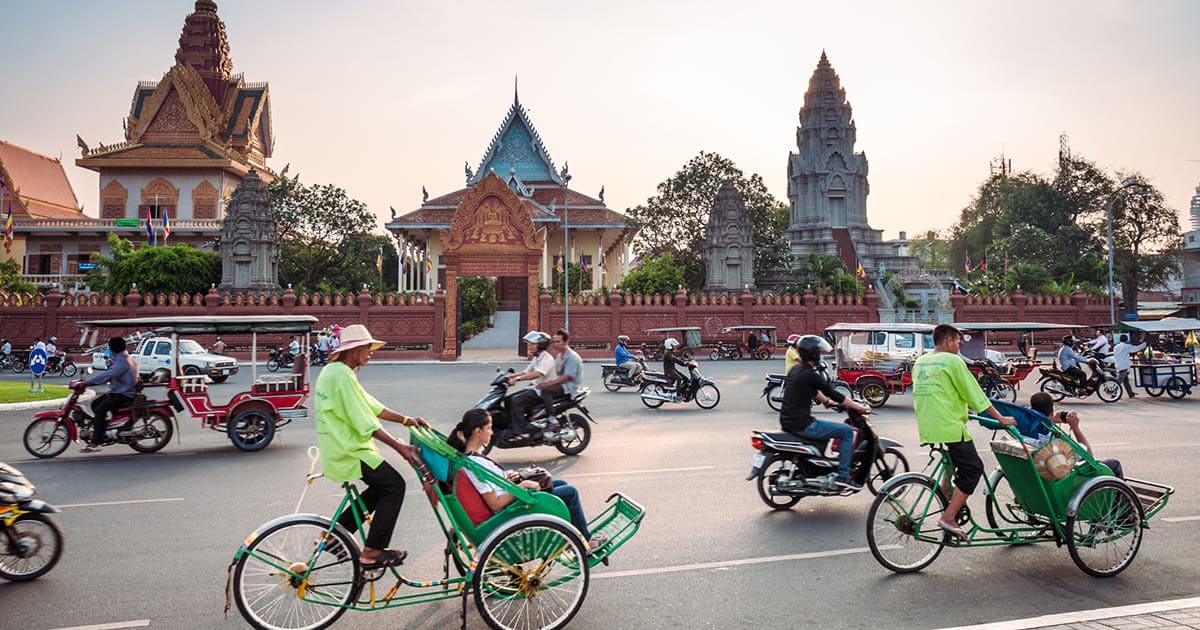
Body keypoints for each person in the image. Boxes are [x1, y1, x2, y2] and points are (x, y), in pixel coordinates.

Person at [313, 323, 430, 569]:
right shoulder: (341, 376)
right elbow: (365, 421)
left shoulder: (336, 372)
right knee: (394, 485)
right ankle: (372, 552)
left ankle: (335, 537)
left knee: (378, 489)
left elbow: (372, 406)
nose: (371, 352)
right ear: (354, 349)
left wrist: (407, 420)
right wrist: (399, 447)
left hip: (342, 447)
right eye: (367, 347)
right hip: (350, 449)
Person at [448, 408, 607, 551]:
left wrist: (505, 479)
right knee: (570, 493)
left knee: (561, 485)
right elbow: (494, 503)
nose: (491, 432)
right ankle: (585, 543)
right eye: (489, 428)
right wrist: (522, 485)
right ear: (477, 431)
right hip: (508, 512)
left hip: (509, 502)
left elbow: (491, 486)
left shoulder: (472, 460)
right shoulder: (474, 465)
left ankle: (571, 540)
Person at [912, 324, 1016, 538]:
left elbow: (940, 392)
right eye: (959, 342)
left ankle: (945, 494)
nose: (960, 347)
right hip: (949, 426)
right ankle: (948, 517)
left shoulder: (921, 361)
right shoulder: (952, 361)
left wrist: (961, 407)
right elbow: (976, 396)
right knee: (973, 469)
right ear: (948, 341)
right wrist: (1001, 419)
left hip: (929, 425)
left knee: (952, 461)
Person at [780, 335, 873, 490]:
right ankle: (843, 476)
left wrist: (827, 403)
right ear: (813, 354)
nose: (821, 354)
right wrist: (858, 407)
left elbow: (813, 391)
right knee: (847, 431)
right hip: (803, 424)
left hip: (788, 421)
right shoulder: (810, 374)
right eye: (818, 351)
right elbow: (835, 394)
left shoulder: (796, 370)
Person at [1028, 393, 1124, 479]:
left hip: (1036, 479)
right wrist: (1075, 428)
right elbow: (1088, 458)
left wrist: (1051, 421)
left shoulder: (1023, 435)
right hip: (1065, 481)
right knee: (1114, 464)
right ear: (1051, 413)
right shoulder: (1053, 439)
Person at [73, 336, 138, 453]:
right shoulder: (123, 357)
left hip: (123, 394)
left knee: (100, 410)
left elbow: (108, 375)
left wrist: (87, 382)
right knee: (95, 404)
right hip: (119, 391)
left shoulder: (123, 360)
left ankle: (96, 441)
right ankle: (104, 427)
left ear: (112, 349)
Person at [506, 330, 556, 441]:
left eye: (532, 344)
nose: (529, 346)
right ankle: (514, 425)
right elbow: (525, 372)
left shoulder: (547, 359)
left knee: (516, 401)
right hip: (534, 388)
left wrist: (517, 379)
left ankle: (522, 431)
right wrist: (509, 377)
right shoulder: (537, 357)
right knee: (507, 400)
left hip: (542, 391)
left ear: (540, 345)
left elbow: (537, 374)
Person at [535, 329, 582, 418]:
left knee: (546, 390)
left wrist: (547, 384)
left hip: (569, 386)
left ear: (566, 342)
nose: (555, 344)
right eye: (554, 342)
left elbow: (566, 377)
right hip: (561, 383)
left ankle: (552, 417)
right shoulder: (560, 355)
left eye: (558, 342)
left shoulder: (572, 357)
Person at [1111, 333, 1147, 398]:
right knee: (1120, 380)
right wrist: (1145, 343)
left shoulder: (1115, 347)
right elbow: (1136, 348)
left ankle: (1131, 394)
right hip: (1124, 366)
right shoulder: (1126, 346)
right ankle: (1113, 392)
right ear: (1126, 340)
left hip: (1118, 365)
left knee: (1126, 381)